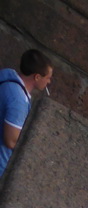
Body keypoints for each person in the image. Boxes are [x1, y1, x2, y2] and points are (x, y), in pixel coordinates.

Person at [0, 49, 53, 177]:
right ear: (37, 77)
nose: (49, 82)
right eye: (48, 78)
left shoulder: (6, 76)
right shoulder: (18, 101)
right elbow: (11, 141)